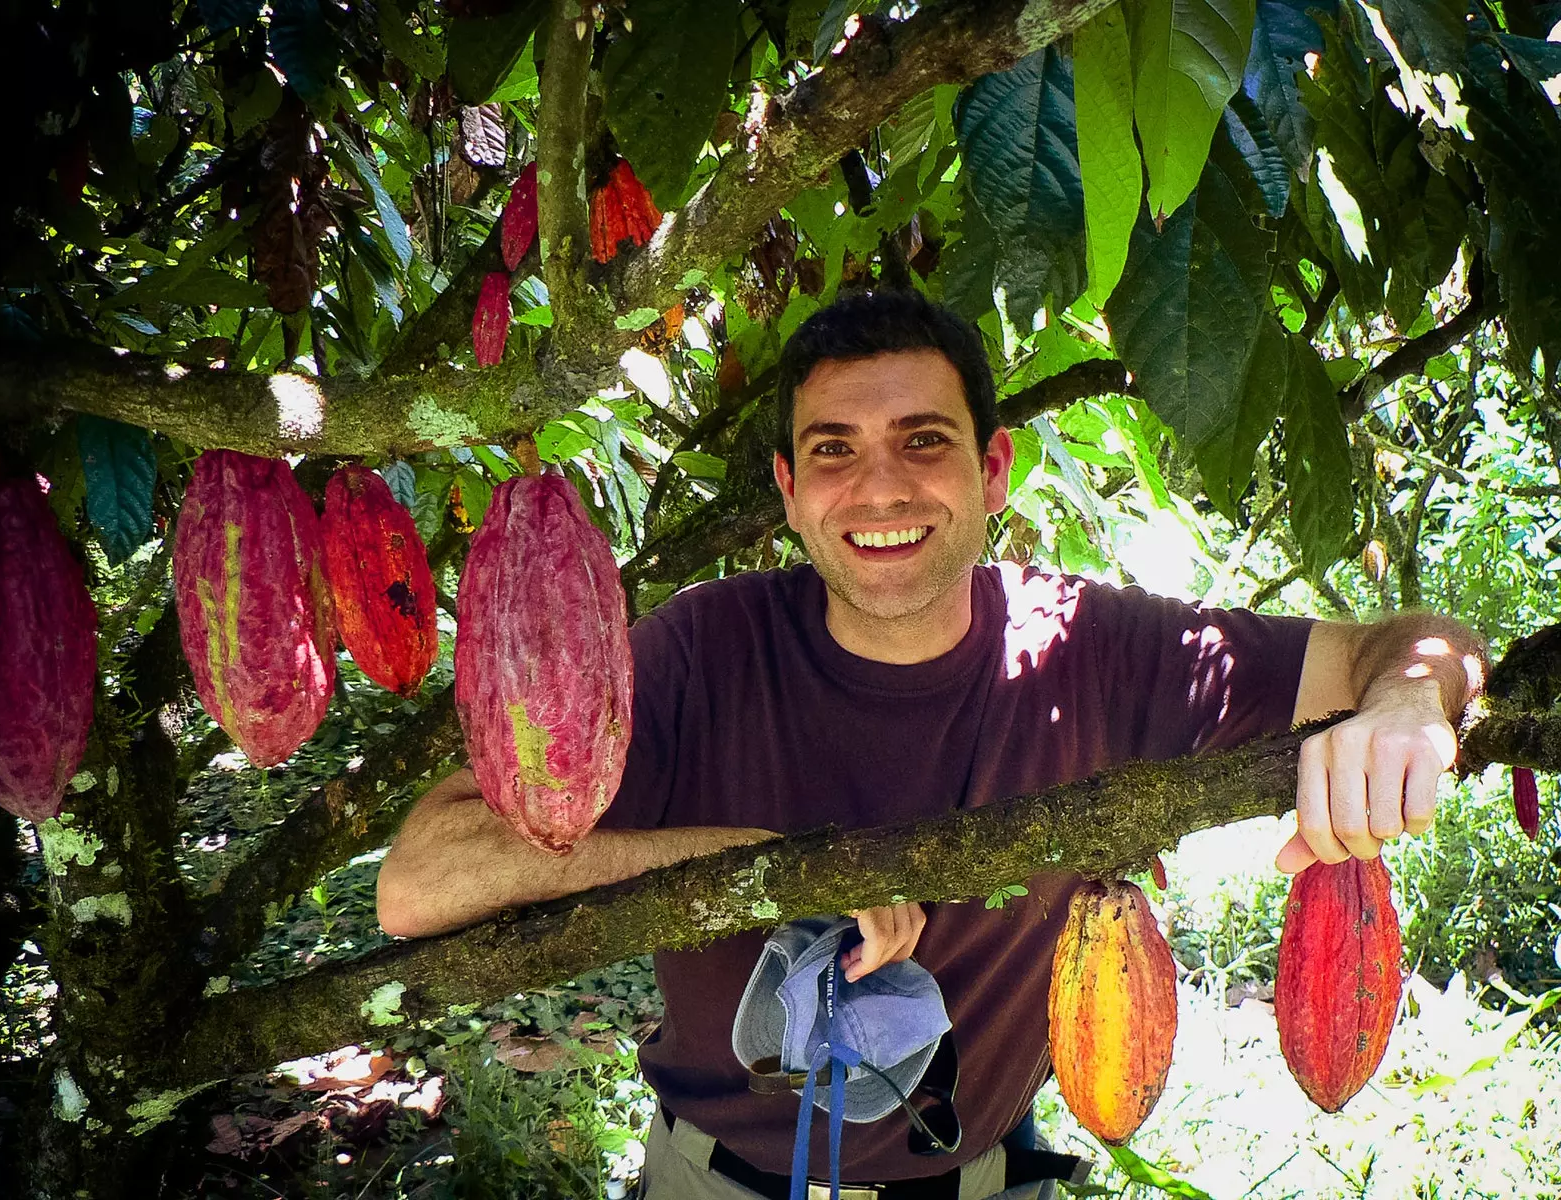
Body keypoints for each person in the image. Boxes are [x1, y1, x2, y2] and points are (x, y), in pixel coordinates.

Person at [376, 290, 1484, 1199]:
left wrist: (1407, 703)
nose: (880, 486)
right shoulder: (701, 650)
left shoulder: (1091, 646)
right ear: (790, 493)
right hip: (709, 1184)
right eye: (833, 450)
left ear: (993, 469)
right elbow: (420, 882)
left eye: (923, 441)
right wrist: (754, 868)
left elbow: (1413, 645)